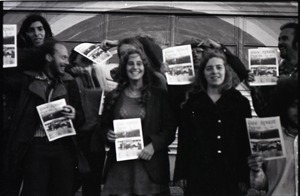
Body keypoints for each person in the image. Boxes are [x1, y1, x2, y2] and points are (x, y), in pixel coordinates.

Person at [2, 39, 87, 196]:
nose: (66, 63)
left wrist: (74, 114)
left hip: (63, 146)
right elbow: (6, 74)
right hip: (35, 146)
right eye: (62, 57)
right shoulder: (26, 81)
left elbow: (82, 118)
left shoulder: (69, 83)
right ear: (48, 57)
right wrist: (8, 42)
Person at [100, 49, 177, 196]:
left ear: (145, 67)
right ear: (124, 67)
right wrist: (107, 134)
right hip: (120, 167)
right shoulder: (113, 96)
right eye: (130, 64)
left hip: (149, 166)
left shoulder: (159, 96)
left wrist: (153, 146)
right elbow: (103, 126)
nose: (135, 67)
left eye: (139, 63)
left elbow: (170, 128)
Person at [174, 52, 252, 196]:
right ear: (203, 73)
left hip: (231, 173)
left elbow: (245, 142)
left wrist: (244, 176)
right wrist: (180, 174)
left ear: (226, 71)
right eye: (209, 68)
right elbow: (184, 141)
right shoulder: (191, 103)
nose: (214, 72)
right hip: (198, 173)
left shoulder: (240, 103)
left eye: (218, 67)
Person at [1, 14, 54, 196]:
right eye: (31, 30)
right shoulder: (15, 58)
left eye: (40, 29)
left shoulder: (56, 56)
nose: (36, 34)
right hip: (18, 126)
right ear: (25, 35)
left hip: (43, 133)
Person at [247, 77, 298, 196]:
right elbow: (259, 186)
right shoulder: (269, 136)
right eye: (295, 105)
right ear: (284, 106)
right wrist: (256, 170)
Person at [67, 45, 107, 196]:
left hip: (95, 135)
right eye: (83, 58)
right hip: (78, 135)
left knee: (92, 183)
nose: (87, 63)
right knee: (72, 180)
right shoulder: (70, 76)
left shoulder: (97, 75)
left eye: (90, 59)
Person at [247, 22, 298, 117]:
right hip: (281, 130)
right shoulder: (274, 74)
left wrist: (289, 83)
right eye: (279, 39)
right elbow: (264, 113)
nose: (280, 43)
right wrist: (255, 87)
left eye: (285, 39)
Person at [100, 36, 168, 91]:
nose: (128, 56)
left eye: (131, 52)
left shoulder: (157, 78)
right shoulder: (117, 76)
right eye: (123, 54)